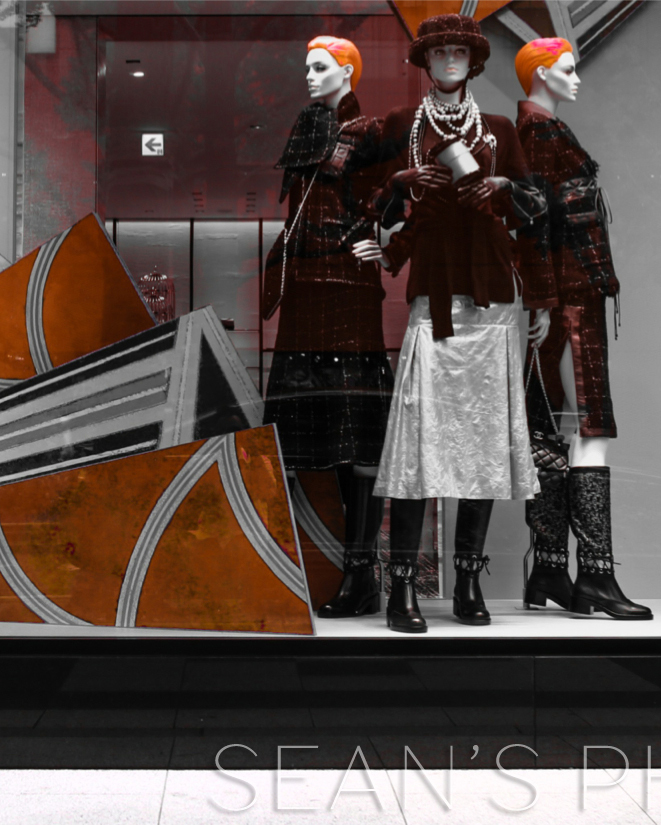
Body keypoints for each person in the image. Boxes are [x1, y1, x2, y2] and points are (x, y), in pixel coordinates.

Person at [352, 14, 548, 633]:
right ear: (426, 62)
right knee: (419, 441)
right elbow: (371, 207)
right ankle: (401, 588)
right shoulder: (399, 126)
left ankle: (467, 581)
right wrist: (401, 180)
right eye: (439, 53)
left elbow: (534, 208)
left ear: (474, 61)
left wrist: (500, 185)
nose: (450, 60)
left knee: (483, 440)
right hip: (433, 293)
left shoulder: (498, 129)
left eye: (460, 51)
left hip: (491, 299)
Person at [258, 35, 396, 620]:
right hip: (306, 289)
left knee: (354, 431)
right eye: (308, 67)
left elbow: (397, 198)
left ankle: (361, 572)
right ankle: (290, 570)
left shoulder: (370, 132)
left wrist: (385, 244)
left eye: (321, 67)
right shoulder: (308, 128)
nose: (310, 76)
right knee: (298, 434)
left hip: (347, 289)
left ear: (347, 70)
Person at [513, 38, 651, 620]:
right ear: (542, 73)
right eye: (567, 70)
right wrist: (544, 302)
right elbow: (535, 225)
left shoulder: (542, 132)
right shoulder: (541, 134)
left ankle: (549, 567)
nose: (576, 79)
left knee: (554, 432)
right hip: (568, 304)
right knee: (586, 429)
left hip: (567, 301)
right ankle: (593, 575)